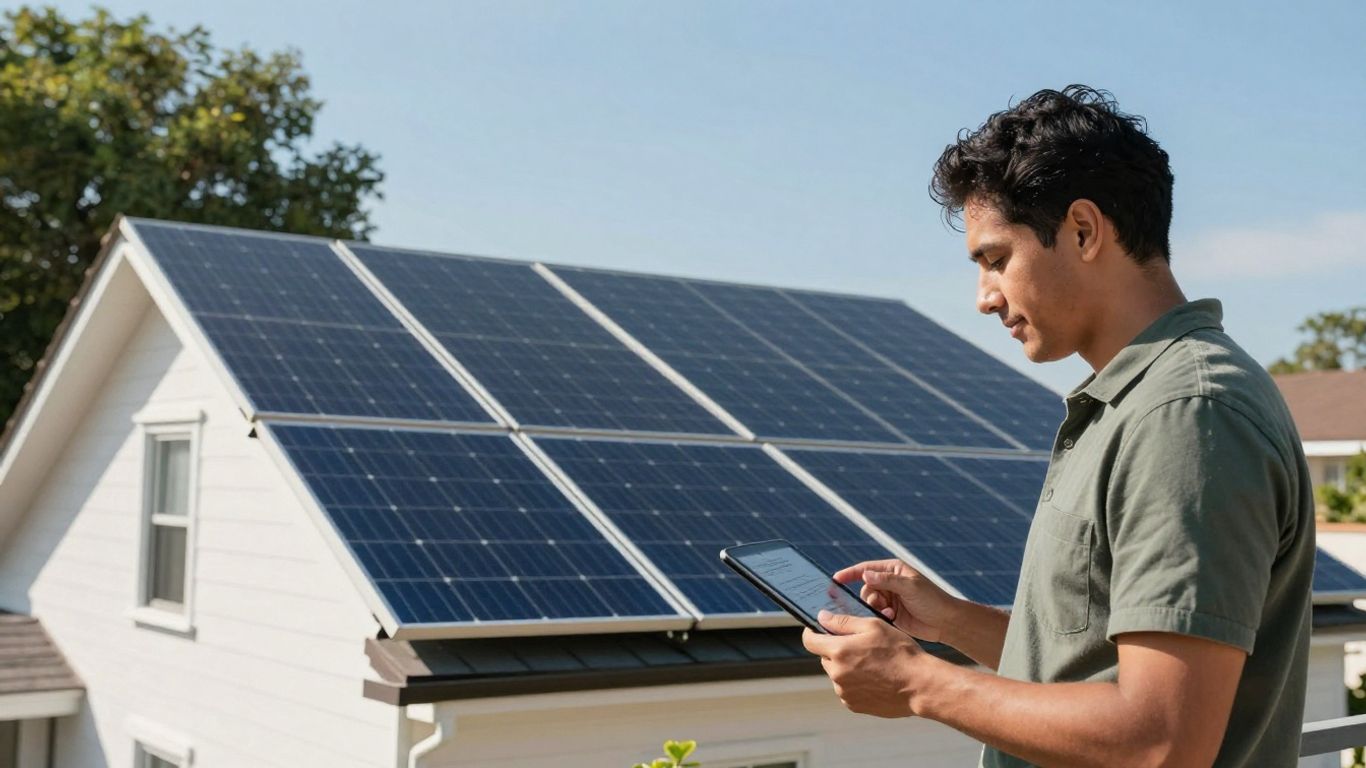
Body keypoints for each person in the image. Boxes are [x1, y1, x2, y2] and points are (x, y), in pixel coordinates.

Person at [802, 85, 1315, 767]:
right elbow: (1097, 661)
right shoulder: (1139, 402)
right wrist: (951, 621)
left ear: (1083, 231)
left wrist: (920, 682)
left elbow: (1162, 738)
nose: (984, 298)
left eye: (996, 260)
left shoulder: (1186, 415)